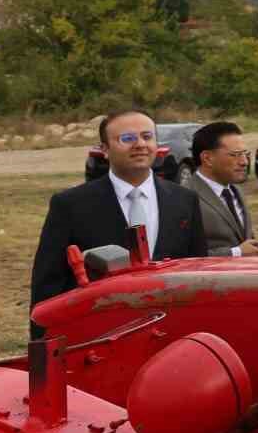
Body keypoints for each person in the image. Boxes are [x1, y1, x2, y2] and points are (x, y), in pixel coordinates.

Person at [30, 110, 205, 328]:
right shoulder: (70, 205)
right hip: (99, 333)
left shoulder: (184, 200)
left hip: (170, 330)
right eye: (127, 138)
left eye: (147, 137)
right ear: (104, 149)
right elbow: (47, 283)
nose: (140, 144)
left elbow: (198, 272)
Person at [187, 121, 258, 256]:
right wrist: (236, 252)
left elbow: (245, 241)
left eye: (245, 154)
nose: (244, 162)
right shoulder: (184, 198)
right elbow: (181, 257)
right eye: (235, 154)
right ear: (207, 158)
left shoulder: (236, 191)